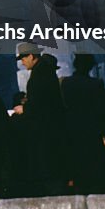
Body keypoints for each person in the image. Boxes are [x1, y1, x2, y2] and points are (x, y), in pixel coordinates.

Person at [13, 42, 69, 196]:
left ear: (31, 56)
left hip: (45, 133)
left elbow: (41, 104)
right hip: (50, 131)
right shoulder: (44, 72)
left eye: (23, 58)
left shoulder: (40, 74)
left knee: (48, 172)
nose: (22, 62)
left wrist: (24, 109)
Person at [60, 53, 105, 195]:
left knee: (78, 174)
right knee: (94, 175)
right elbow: (103, 111)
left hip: (73, 132)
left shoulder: (66, 83)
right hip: (92, 132)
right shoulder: (96, 84)